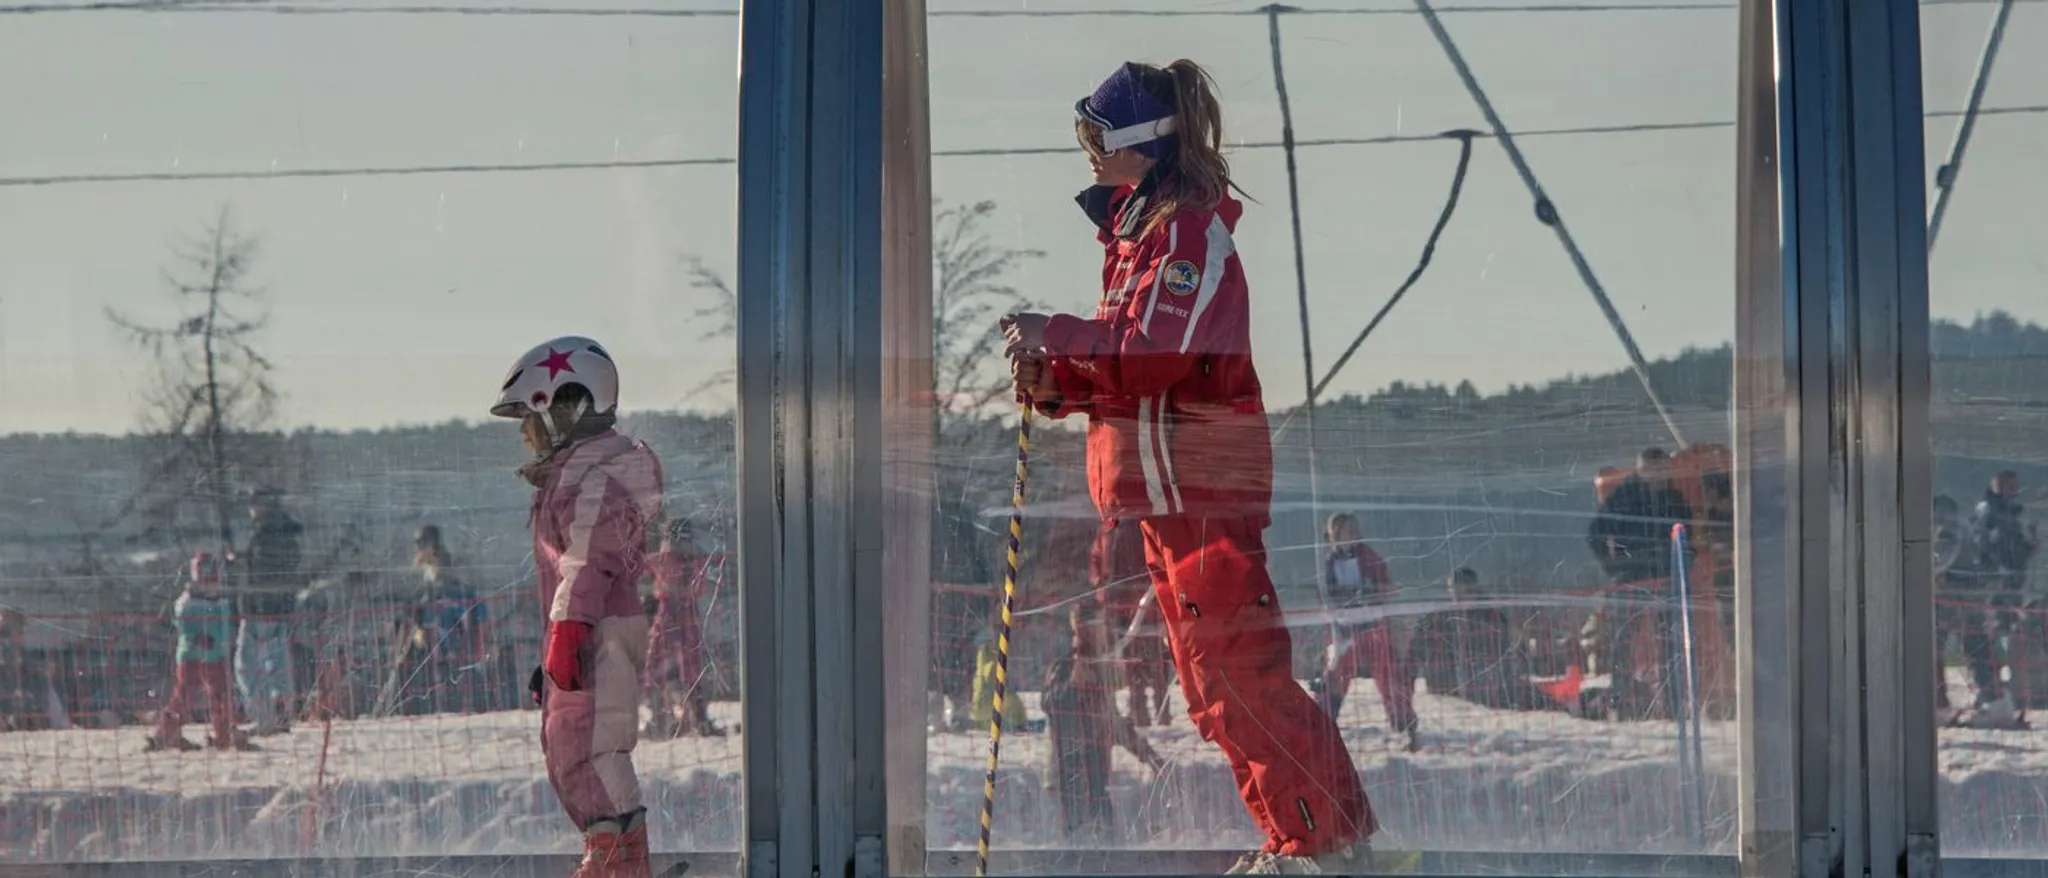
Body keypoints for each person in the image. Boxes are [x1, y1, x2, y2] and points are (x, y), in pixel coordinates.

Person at [1003, 59, 1374, 872]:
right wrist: (1056, 384)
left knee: (1242, 675)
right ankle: (1300, 837)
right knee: (1214, 690)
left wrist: (1057, 334)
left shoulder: (1186, 236)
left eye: (1096, 135)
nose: (1089, 153)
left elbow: (1155, 356)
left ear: (1138, 139)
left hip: (1204, 489)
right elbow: (1127, 372)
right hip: (1169, 498)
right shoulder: (1138, 239)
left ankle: (1322, 844)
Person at [493, 335, 663, 878]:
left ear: (564, 408)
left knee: (595, 746)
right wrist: (554, 650)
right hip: (587, 625)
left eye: (528, 418)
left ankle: (618, 857)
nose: (523, 434)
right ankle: (609, 849)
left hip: (598, 626)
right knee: (571, 743)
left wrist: (568, 631)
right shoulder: (579, 473)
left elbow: (588, 560)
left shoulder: (602, 476)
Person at [1043, 601, 1168, 844]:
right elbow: (1050, 703)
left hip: (1097, 780)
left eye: (1103, 626)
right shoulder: (1065, 665)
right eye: (1096, 626)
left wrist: (1146, 752)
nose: (1103, 633)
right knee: (1077, 842)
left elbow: (1111, 719)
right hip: (1071, 779)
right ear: (1080, 629)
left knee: (1103, 833)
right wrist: (1073, 686)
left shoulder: (1100, 667)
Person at [1585, 448, 1694, 722]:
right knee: (1623, 642)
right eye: (1655, 472)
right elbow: (1595, 534)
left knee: (1668, 644)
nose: (1660, 477)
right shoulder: (1624, 497)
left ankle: (1672, 706)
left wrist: (1684, 564)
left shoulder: (1672, 498)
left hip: (1663, 580)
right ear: (1643, 471)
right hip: (1631, 581)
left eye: (1663, 472)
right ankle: (1620, 704)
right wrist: (1614, 566)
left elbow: (1688, 534)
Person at [1311, 512, 1419, 751]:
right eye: (1346, 531)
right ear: (1334, 536)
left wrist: (1369, 594)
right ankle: (1324, 723)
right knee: (1336, 674)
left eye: (1354, 530)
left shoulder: (1369, 557)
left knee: (1389, 674)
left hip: (1373, 626)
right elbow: (1324, 597)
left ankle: (1403, 724)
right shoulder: (1328, 564)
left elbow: (1384, 586)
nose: (1352, 535)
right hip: (1345, 628)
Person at [148, 552, 248, 751]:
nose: (211, 587)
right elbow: (184, 627)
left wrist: (225, 642)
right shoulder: (187, 602)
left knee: (221, 696)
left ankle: (224, 734)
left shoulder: (222, 601)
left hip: (216, 657)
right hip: (192, 657)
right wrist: (198, 638)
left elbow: (226, 627)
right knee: (185, 696)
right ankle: (165, 732)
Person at [1405, 568, 1542, 711]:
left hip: (1490, 695)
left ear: (1475, 589)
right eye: (1456, 590)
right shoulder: (1435, 620)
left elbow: (1512, 657)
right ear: (1449, 590)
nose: (1460, 595)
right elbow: (1414, 654)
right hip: (1448, 698)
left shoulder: (1492, 618)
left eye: (1465, 590)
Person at [232, 488, 303, 737]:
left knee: (247, 666)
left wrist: (240, 562)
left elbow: (261, 572)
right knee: (278, 664)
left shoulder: (263, 535)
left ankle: (263, 718)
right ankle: (283, 715)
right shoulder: (286, 534)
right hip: (281, 607)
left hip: (258, 609)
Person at [644, 517, 722, 738]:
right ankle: (696, 717)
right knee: (691, 666)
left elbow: (639, 564)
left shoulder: (661, 558)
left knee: (657, 663)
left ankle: (661, 716)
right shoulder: (696, 560)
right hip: (687, 611)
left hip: (668, 611)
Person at [1095, 518, 1172, 727]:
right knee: (1133, 663)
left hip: (1145, 606)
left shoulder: (1141, 524)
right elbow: (1098, 558)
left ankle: (1160, 712)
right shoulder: (1109, 527)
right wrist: (1100, 586)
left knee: (1152, 662)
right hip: (1122, 606)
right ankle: (1141, 713)